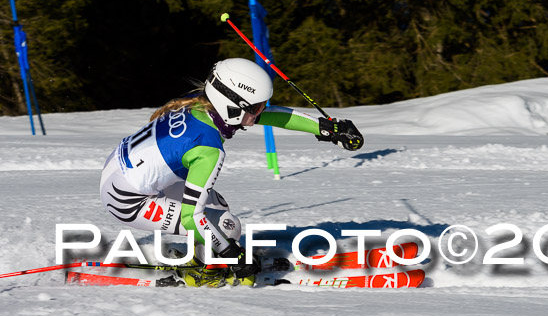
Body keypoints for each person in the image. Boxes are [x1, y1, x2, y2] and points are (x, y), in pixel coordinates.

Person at [99, 58, 363, 287]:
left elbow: (272, 116)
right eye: (256, 107)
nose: (261, 112)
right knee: (226, 226)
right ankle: (204, 274)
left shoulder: (201, 109)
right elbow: (192, 216)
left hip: (120, 172)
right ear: (233, 107)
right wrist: (230, 253)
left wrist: (327, 128)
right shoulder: (208, 149)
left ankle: (205, 257)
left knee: (217, 206)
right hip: (127, 200)